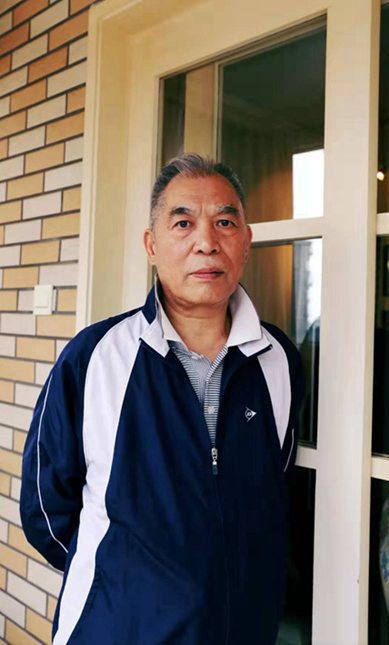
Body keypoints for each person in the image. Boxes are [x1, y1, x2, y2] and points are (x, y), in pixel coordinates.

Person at [20, 153, 304, 645]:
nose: (206, 242)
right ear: (152, 245)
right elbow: (46, 509)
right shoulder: (96, 356)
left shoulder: (278, 359)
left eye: (224, 222)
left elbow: (272, 489)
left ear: (246, 242)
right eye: (183, 223)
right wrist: (128, 584)